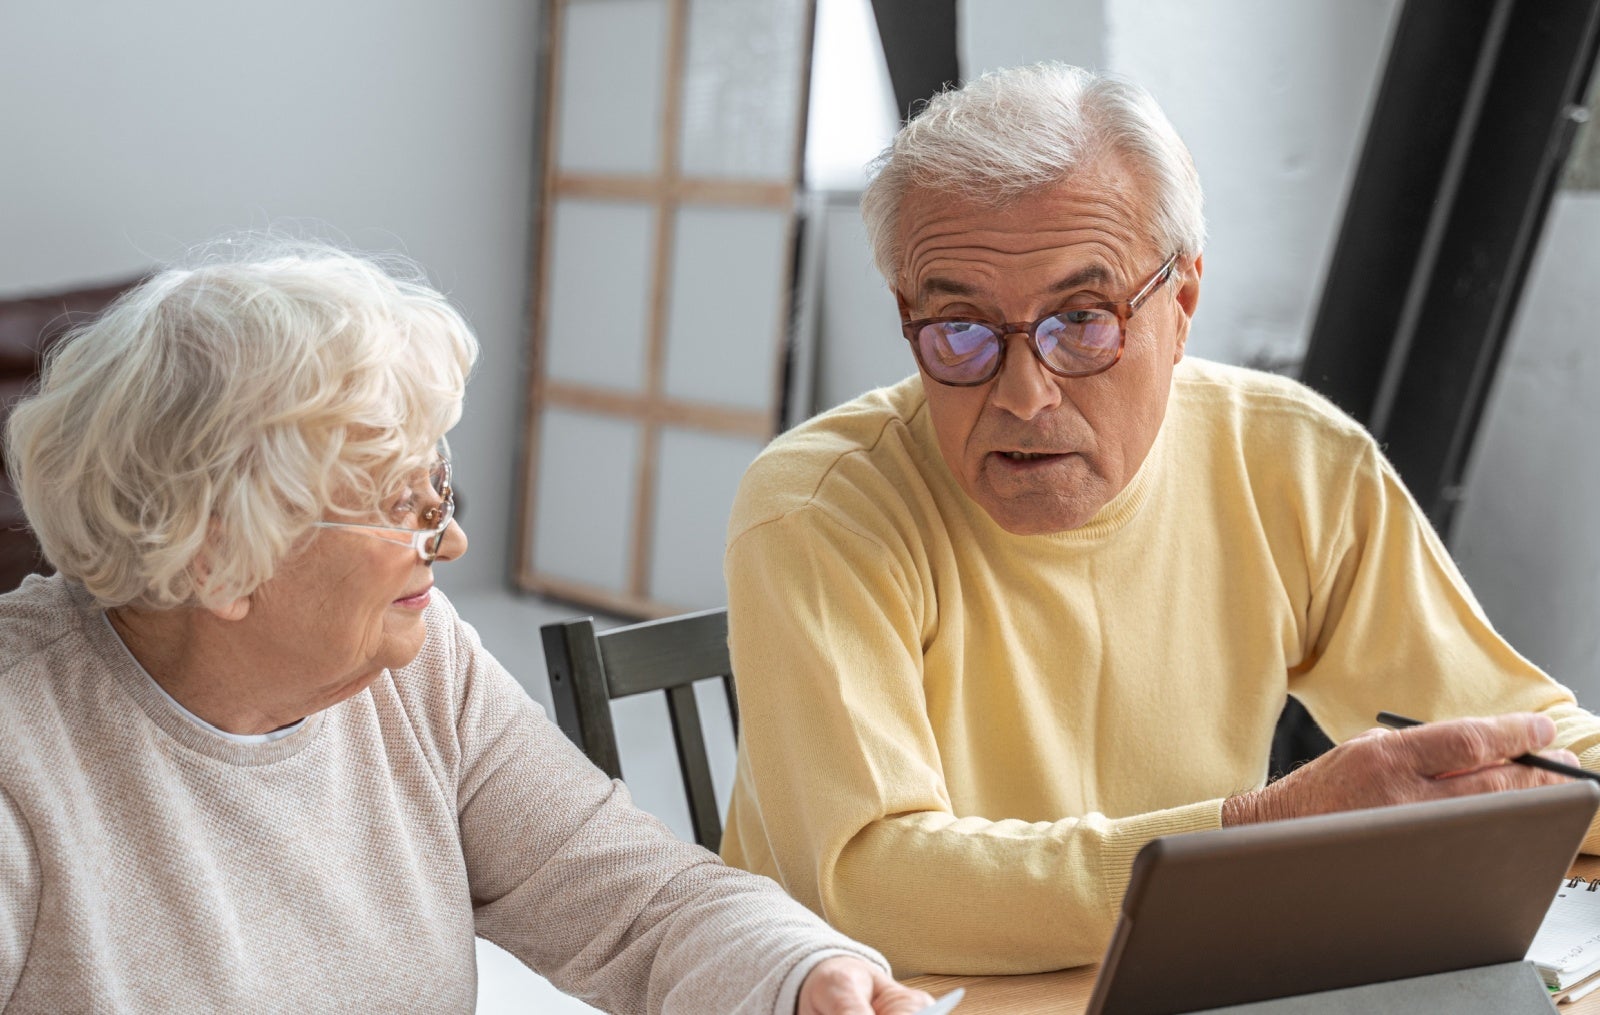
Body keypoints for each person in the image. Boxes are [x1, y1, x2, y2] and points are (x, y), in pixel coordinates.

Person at [717, 62, 1600, 976]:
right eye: (961, 331)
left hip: (1181, 977)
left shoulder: (1289, 459)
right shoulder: (819, 510)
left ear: (1179, 307)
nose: (1023, 394)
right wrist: (1261, 836)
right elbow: (870, 886)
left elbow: (1519, 743)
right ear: (908, 317)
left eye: (1080, 321)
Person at [0, 239, 937, 1014]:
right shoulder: (22, 753)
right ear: (219, 558)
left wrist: (805, 974)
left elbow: (639, 901)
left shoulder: (418, 662)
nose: (449, 539)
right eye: (400, 505)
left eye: (438, 486)